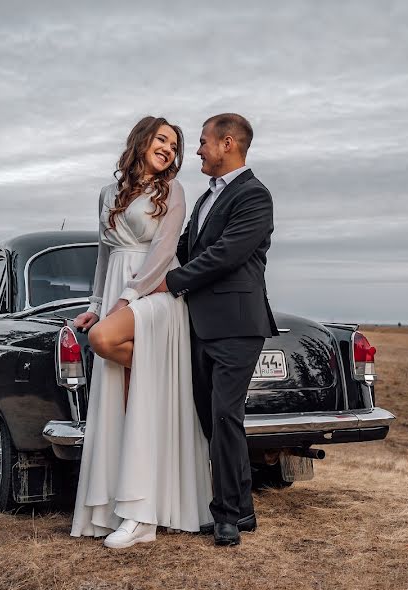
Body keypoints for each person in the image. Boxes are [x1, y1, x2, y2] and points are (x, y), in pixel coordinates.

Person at [70, 116, 212, 548]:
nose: (169, 149)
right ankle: (125, 510)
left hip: (154, 296)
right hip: (115, 288)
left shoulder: (173, 191)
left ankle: (142, 516)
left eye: (176, 145)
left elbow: (165, 252)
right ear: (142, 139)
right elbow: (102, 254)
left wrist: (126, 300)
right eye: (162, 139)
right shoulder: (106, 193)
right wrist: (96, 306)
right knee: (124, 402)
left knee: (104, 342)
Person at [152, 113, 278, 547]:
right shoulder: (205, 198)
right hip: (198, 323)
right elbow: (184, 248)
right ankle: (242, 507)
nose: (199, 151)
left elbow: (226, 254)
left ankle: (226, 515)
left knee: (226, 415)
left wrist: (171, 282)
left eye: (204, 142)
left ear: (228, 143)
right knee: (211, 419)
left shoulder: (255, 196)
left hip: (237, 326)